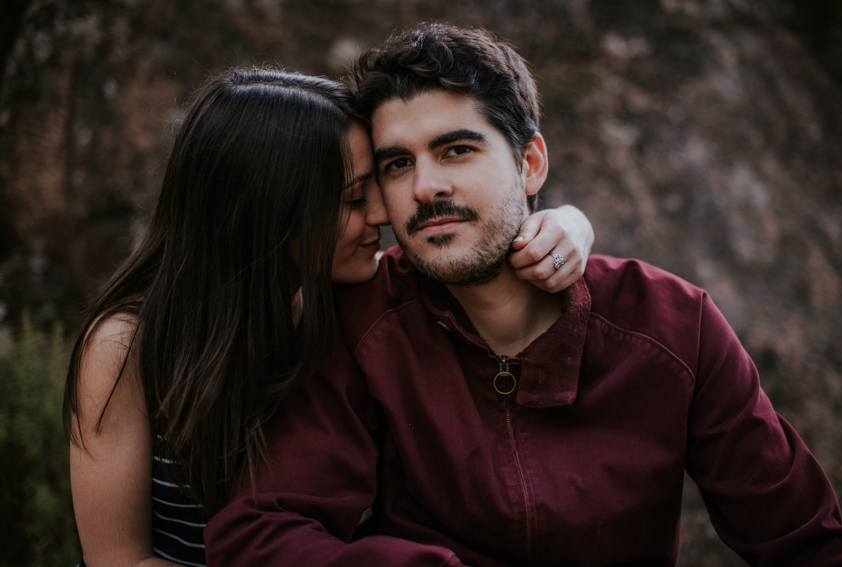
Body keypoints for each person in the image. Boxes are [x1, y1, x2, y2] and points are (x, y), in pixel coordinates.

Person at [205, 24, 842, 566]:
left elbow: (807, 542)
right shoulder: (361, 320)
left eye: (456, 149)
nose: (424, 187)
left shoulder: (674, 325)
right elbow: (260, 533)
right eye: (397, 164)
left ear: (531, 164)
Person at [62, 67, 594, 567]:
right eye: (352, 199)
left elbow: (474, 247)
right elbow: (121, 559)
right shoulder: (125, 346)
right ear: (268, 212)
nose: (384, 215)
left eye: (376, 187)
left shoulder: (348, 306)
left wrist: (569, 223)